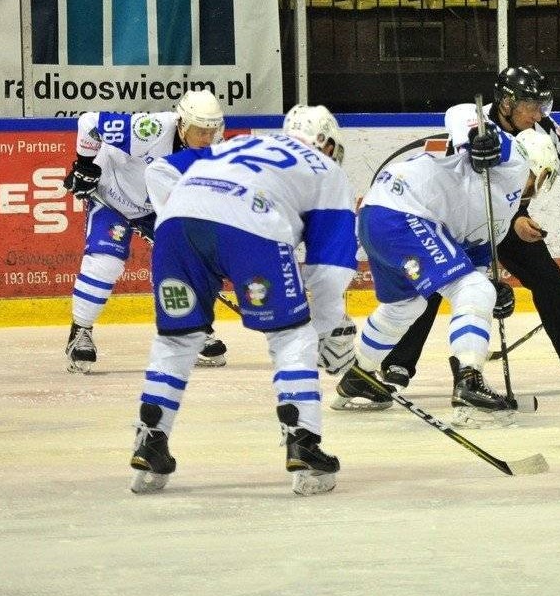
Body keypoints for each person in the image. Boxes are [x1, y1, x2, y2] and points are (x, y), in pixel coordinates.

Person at [126, 104, 357, 495]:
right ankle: (303, 438)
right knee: (291, 337)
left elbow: (159, 170)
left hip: (177, 228)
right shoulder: (326, 170)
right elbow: (329, 271)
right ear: (327, 143)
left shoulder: (240, 145)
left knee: (177, 340)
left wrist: (186, 214)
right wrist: (327, 330)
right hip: (254, 226)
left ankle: (151, 440)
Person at [373, 66, 560, 399]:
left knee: (546, 274)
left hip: (500, 216)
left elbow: (540, 174)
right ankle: (399, 363)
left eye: (542, 105)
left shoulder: (541, 127)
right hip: (452, 215)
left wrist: (521, 216)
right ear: (505, 103)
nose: (538, 113)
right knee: (431, 284)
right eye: (531, 105)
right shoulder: (475, 119)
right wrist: (476, 140)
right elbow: (460, 122)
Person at [334, 103, 560, 426]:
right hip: (402, 211)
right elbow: (462, 111)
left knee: (405, 308)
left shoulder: (504, 213)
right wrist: (474, 137)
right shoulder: (513, 159)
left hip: (378, 215)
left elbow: (478, 259)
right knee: (474, 290)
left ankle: (359, 375)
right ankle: (469, 381)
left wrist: (494, 290)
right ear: (539, 166)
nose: (538, 187)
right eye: (543, 177)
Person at [60, 90, 227, 374]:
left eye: (212, 131)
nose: (206, 138)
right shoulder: (151, 129)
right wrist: (85, 165)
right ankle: (80, 332)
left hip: (154, 206)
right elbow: (89, 122)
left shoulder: (214, 148)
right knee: (105, 262)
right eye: (200, 131)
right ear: (183, 124)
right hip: (113, 198)